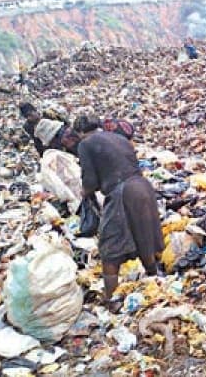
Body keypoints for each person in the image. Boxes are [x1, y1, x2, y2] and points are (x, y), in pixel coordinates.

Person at [74, 115, 164, 307]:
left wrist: (84, 192)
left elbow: (90, 181)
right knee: (144, 240)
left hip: (123, 193)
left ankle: (111, 299)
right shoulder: (119, 138)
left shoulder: (85, 144)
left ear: (80, 132)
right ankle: (157, 282)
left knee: (109, 248)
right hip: (143, 188)